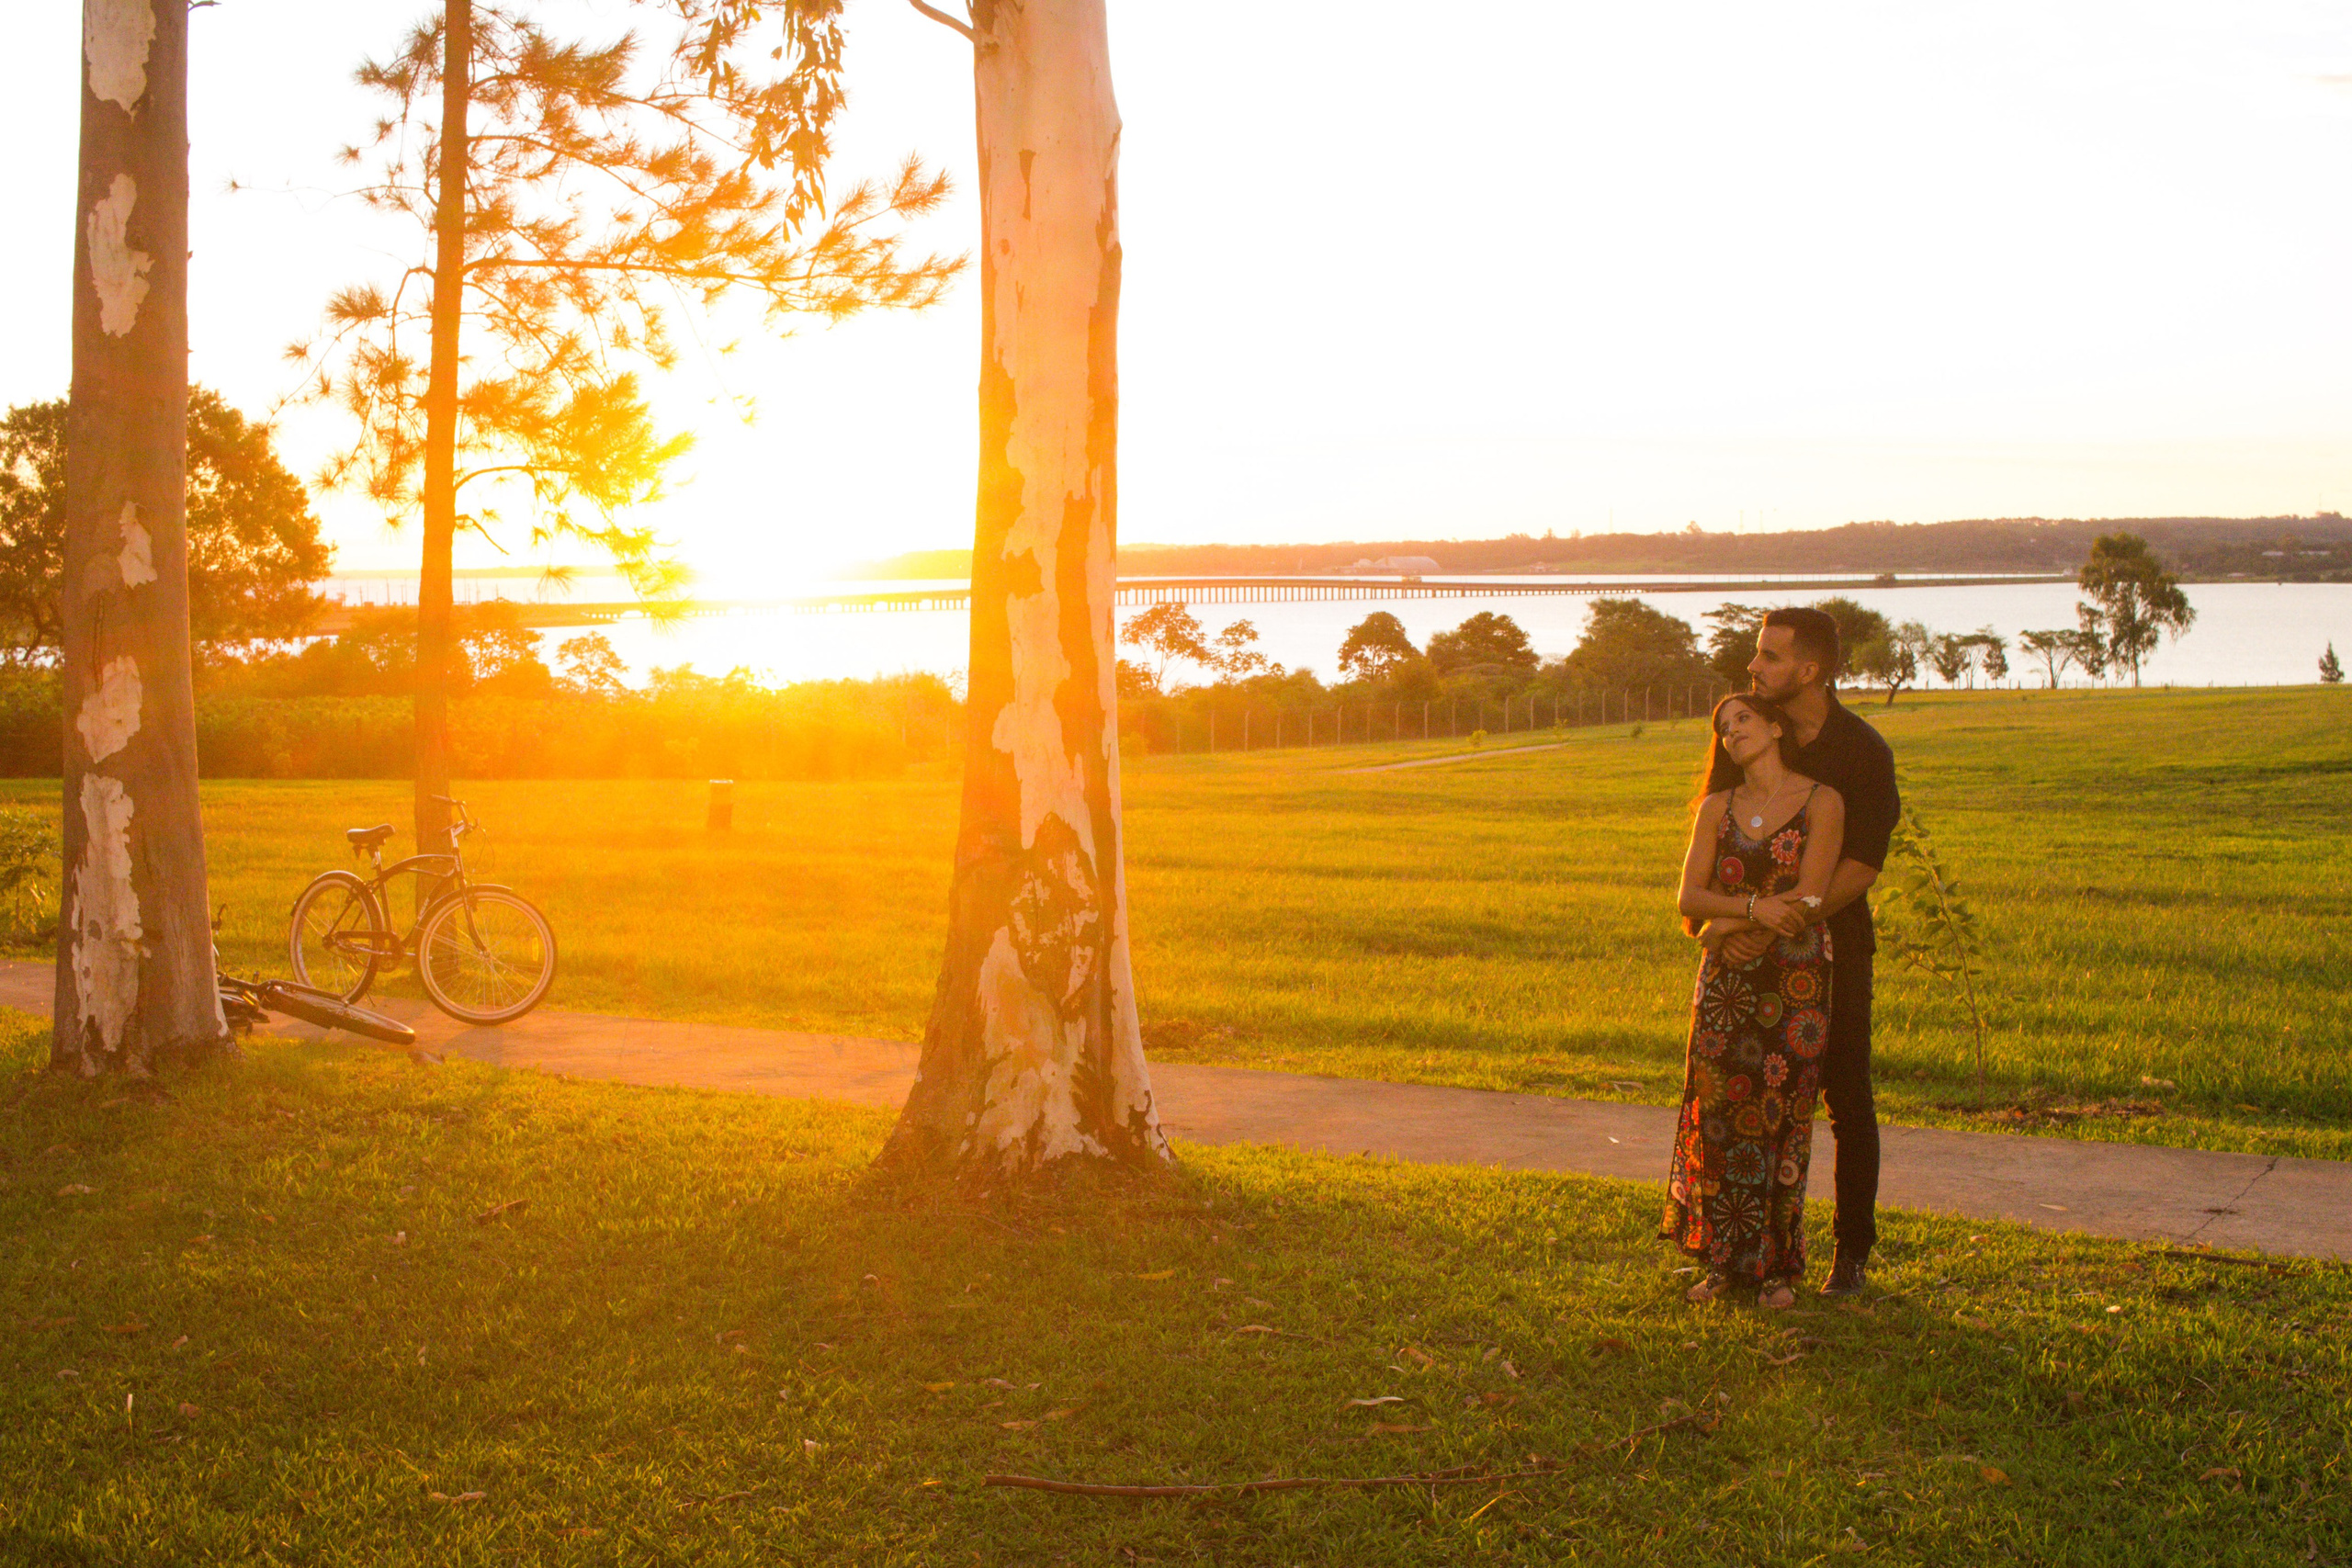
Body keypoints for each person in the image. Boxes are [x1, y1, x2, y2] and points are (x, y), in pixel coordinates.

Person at [1699, 607, 1900, 1298]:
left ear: (1810, 670)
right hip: (1742, 950)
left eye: (1770, 657)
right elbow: (1714, 842)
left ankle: (1852, 1253)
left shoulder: (1862, 752)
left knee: (1845, 1094)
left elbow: (1864, 864)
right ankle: (1742, 1253)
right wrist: (1738, 925)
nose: (1754, 668)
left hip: (1835, 943)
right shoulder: (1748, 731)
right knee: (1747, 1098)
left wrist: (1792, 918)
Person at [1665, 693, 1845, 1308]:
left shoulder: (1823, 801)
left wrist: (1750, 930)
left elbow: (1813, 894)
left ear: (1774, 725)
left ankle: (1776, 1268)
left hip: (1793, 979)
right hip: (1727, 984)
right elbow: (1690, 897)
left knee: (1780, 1112)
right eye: (1723, 725)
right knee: (1720, 1112)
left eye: (1743, 717)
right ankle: (1722, 1263)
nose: (1732, 729)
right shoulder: (1716, 808)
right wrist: (1745, 913)